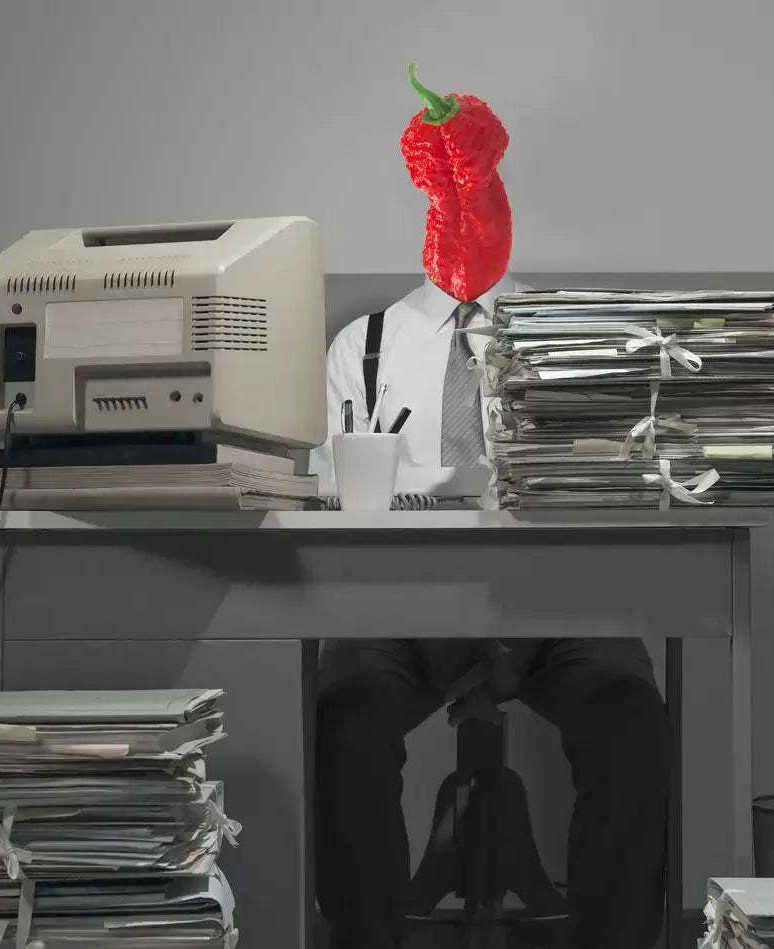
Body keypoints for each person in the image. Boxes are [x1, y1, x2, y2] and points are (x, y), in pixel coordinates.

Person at [303, 67, 669, 949]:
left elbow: (605, 479)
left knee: (629, 711)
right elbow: (328, 488)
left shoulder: (559, 339)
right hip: (396, 610)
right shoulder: (364, 347)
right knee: (346, 712)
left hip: (559, 607)